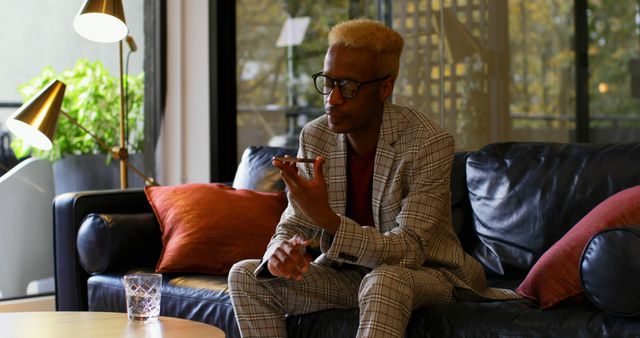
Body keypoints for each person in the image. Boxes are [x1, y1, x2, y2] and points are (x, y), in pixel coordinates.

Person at [228, 18, 518, 338]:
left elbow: (408, 250)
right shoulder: (316, 137)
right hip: (350, 276)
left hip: (428, 275)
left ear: (384, 88)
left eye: (348, 86)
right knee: (246, 275)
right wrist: (279, 252)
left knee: (384, 281)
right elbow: (296, 221)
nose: (332, 99)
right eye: (328, 82)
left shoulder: (427, 142)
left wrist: (329, 221)